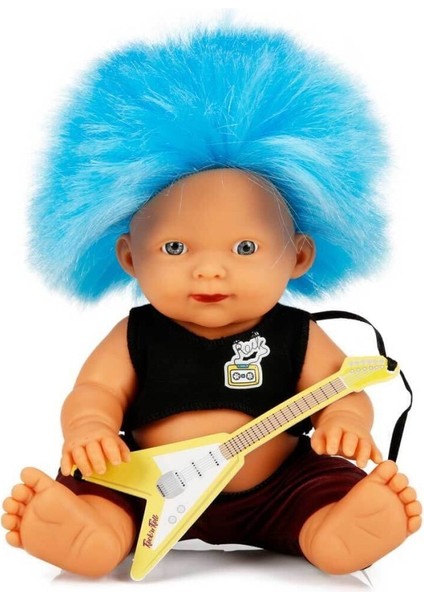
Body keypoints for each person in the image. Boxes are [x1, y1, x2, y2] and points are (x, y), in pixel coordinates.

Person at [1, 27, 421, 579]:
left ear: (299, 256)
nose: (209, 269)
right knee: (100, 483)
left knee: (323, 485)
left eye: (245, 248)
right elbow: (96, 391)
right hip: (146, 485)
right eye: (175, 248)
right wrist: (89, 428)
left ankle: (336, 529)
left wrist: (345, 420)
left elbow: (342, 388)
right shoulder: (136, 334)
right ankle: (93, 529)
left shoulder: (297, 333)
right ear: (129, 257)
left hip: (277, 489)